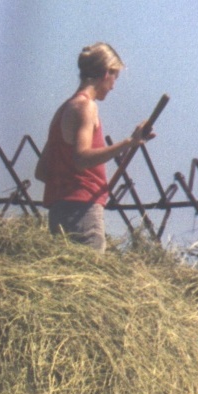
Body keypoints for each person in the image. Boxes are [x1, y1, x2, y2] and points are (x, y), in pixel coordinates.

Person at [35, 42, 156, 251]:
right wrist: (129, 142)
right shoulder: (86, 107)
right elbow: (81, 159)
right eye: (115, 78)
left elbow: (42, 171)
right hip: (82, 210)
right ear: (106, 73)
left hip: (58, 212)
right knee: (88, 267)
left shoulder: (63, 110)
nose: (113, 87)